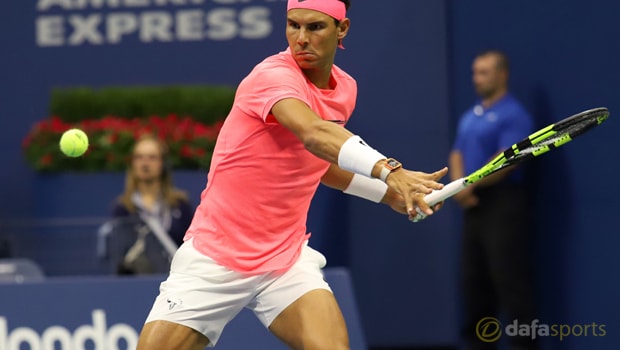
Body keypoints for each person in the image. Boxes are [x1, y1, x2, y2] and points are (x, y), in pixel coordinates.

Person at [136, 1, 448, 349]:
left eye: (314, 27)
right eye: (293, 25)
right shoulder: (271, 76)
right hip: (216, 254)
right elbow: (314, 134)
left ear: (341, 29)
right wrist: (389, 172)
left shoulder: (345, 89)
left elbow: (317, 159)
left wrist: (384, 192)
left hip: (284, 259)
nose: (301, 38)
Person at [450, 50, 538, 350]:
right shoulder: (470, 115)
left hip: (503, 205)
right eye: (475, 72)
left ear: (502, 75)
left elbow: (507, 161)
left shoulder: (515, 114)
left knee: (510, 282)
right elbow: (457, 151)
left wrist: (469, 186)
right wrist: (461, 187)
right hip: (473, 206)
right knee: (473, 282)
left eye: (484, 72)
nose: (477, 78)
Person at [104, 134, 194, 275]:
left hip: (175, 281)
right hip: (137, 283)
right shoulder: (122, 207)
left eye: (152, 158)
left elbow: (191, 248)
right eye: (139, 157)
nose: (145, 163)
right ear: (133, 164)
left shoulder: (181, 204)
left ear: (162, 164)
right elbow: (119, 253)